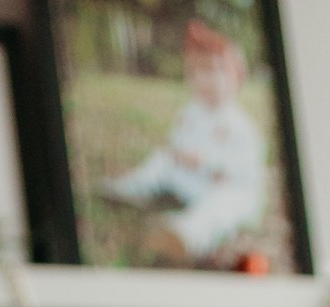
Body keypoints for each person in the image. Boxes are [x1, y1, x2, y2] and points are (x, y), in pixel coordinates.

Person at [98, 19, 268, 267]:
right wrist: (179, 154)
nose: (205, 80)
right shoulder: (190, 114)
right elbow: (178, 142)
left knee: (220, 205)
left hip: (227, 186)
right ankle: (133, 188)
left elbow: (245, 170)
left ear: (236, 78)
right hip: (192, 180)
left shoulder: (241, 126)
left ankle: (185, 234)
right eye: (196, 73)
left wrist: (209, 162)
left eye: (214, 71)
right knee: (162, 159)